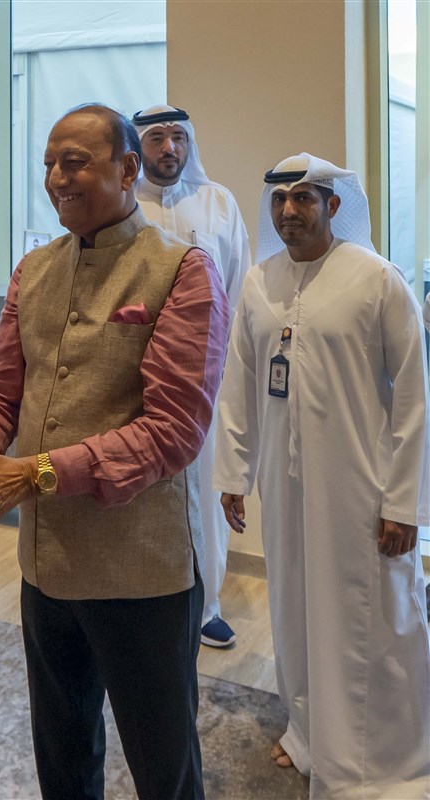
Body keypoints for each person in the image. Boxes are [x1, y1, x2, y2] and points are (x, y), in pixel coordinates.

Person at [0, 104, 229, 800]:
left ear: (126, 169)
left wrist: (34, 472)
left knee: (163, 766)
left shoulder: (182, 271)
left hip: (140, 571)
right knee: (64, 752)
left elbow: (171, 434)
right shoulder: (33, 270)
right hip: (45, 568)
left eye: (72, 162)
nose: (54, 178)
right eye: (48, 163)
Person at [214, 153, 429, 797]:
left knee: (373, 617)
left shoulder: (377, 280)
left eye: (304, 199)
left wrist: (405, 503)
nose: (288, 211)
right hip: (286, 487)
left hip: (363, 489)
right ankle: (311, 734)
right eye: (279, 199)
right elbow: (240, 384)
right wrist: (233, 471)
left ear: (334, 206)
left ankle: (383, 761)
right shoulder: (259, 282)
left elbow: (416, 395)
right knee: (296, 609)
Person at [132, 104, 252, 648]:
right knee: (140, 487)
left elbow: (240, 288)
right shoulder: (122, 205)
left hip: (208, 381)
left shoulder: (219, 203)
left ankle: (208, 605)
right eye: (156, 137)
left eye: (178, 137)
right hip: (135, 378)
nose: (169, 148)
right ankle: (142, 597)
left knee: (205, 490)